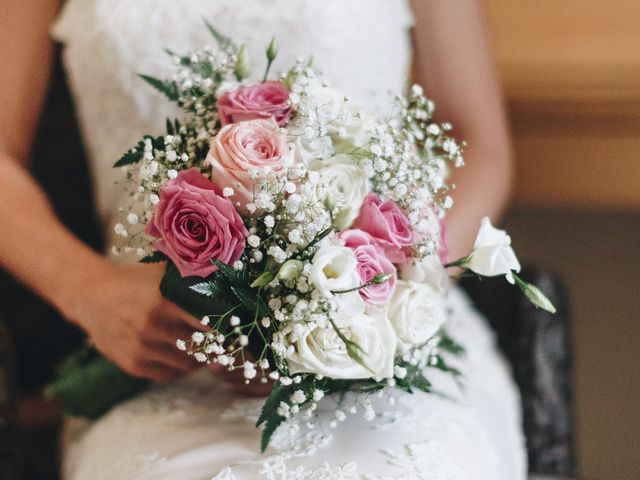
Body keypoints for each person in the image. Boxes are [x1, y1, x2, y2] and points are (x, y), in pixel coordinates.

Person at [0, 0, 521, 478]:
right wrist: (91, 292)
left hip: (379, 333)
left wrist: (383, 291)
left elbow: (478, 146)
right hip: (154, 345)